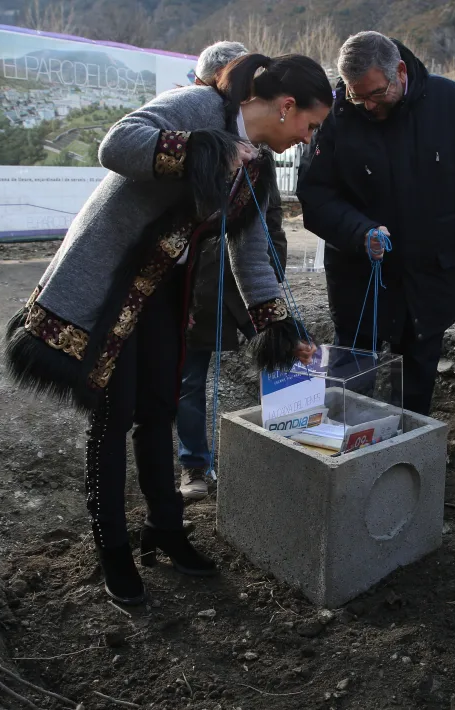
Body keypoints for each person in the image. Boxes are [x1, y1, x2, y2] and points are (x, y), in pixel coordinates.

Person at [3, 53, 331, 605]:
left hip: (159, 294)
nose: (306, 138)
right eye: (310, 125)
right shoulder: (203, 106)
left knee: (158, 410)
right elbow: (117, 144)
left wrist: (279, 328)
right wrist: (206, 150)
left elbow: (250, 256)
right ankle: (113, 552)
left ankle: (165, 528)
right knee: (113, 418)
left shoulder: (258, 169)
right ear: (286, 106)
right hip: (105, 283)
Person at [298, 32, 455, 415]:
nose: (369, 105)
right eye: (358, 96)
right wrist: (359, 231)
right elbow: (316, 195)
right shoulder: (338, 114)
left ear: (401, 72)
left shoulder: (450, 102)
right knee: (351, 380)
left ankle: (406, 463)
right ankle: (345, 459)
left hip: (431, 270)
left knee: (416, 381)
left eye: (376, 93)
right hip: (360, 274)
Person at [176, 41, 289, 502]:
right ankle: (194, 467)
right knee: (189, 378)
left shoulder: (258, 149)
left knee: (279, 357)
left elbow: (270, 218)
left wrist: (272, 268)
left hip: (247, 279)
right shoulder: (190, 134)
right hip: (197, 287)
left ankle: (285, 451)